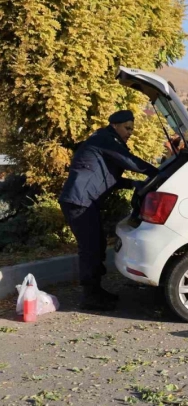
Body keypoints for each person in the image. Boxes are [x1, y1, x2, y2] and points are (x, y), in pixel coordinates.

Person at [59, 110, 159, 311]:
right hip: (80, 202)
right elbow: (130, 161)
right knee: (91, 248)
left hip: (84, 201)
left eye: (132, 129)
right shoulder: (105, 140)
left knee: (97, 245)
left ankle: (96, 291)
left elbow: (107, 178)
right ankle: (90, 297)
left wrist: (134, 183)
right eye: (127, 128)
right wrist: (159, 173)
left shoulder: (106, 141)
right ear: (115, 125)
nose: (130, 133)